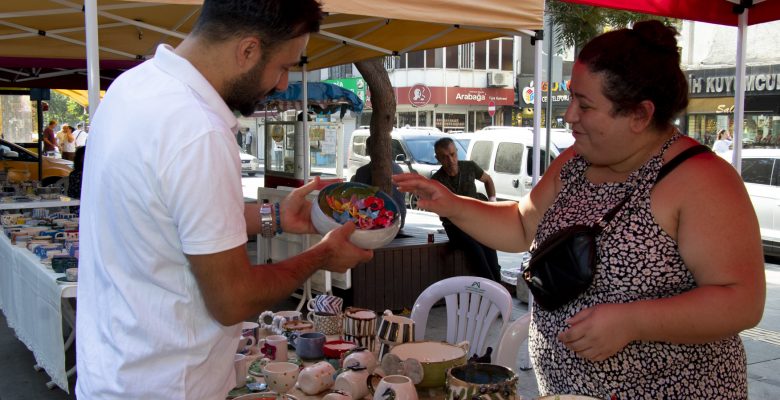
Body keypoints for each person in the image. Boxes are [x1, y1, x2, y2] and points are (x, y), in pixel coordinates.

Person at [394, 20, 764, 399]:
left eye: (584, 105)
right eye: (572, 98)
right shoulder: (576, 160)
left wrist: (634, 322)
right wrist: (453, 204)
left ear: (640, 115)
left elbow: (741, 300)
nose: (569, 115)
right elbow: (522, 224)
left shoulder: (700, 179)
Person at [75, 1, 373, 399]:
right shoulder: (198, 130)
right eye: (283, 66)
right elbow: (233, 301)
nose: (284, 83)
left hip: (113, 374)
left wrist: (277, 216)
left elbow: (174, 217)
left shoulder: (133, 87)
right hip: (167, 386)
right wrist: (321, 256)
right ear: (248, 50)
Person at [431, 137, 501, 282]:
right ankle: (491, 291)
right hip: (455, 227)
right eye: (444, 157)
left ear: (457, 152)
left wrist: (493, 201)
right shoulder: (436, 180)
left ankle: (499, 292)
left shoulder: (469, 166)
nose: (450, 160)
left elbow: (487, 180)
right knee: (478, 256)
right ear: (438, 159)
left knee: (492, 257)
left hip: (477, 222)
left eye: (452, 154)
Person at [350, 135, 407, 229]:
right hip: (400, 220)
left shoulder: (363, 171)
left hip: (383, 223)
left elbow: (358, 202)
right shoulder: (398, 168)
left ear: (368, 150)